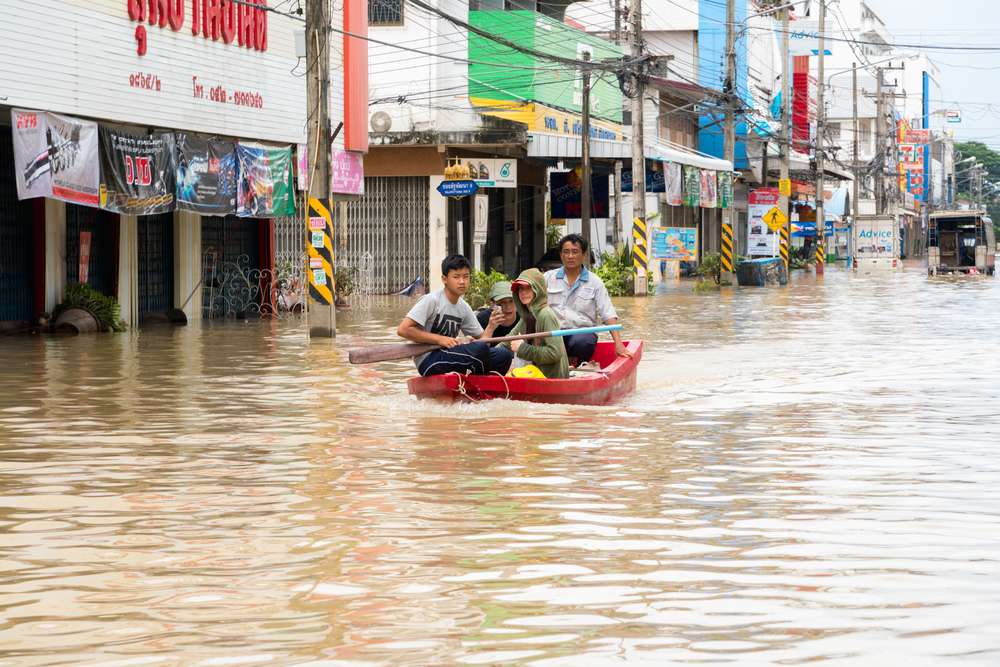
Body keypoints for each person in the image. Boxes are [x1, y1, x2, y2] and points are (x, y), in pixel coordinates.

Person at [398, 255, 514, 377]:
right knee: (479, 350)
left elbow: (484, 343)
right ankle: (478, 383)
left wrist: (491, 326)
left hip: (451, 354)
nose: (462, 282)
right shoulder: (432, 300)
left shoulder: (464, 307)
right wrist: (440, 339)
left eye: (466, 277)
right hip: (429, 359)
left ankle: (484, 387)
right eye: (456, 277)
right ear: (444, 279)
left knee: (503, 355)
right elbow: (403, 330)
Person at [544, 233, 632, 364]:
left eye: (575, 252)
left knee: (583, 342)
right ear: (561, 255)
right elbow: (533, 305)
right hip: (554, 334)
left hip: (582, 334)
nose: (570, 256)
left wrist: (618, 344)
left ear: (583, 255)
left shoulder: (595, 282)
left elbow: (607, 313)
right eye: (566, 252)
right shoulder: (547, 278)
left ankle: (576, 364)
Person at [500, 268, 569, 379]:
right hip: (536, 374)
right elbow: (507, 341)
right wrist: (490, 355)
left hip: (551, 379)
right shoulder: (527, 316)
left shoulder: (546, 315)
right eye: (521, 289)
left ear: (538, 290)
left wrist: (523, 348)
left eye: (528, 288)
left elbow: (555, 353)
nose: (523, 293)